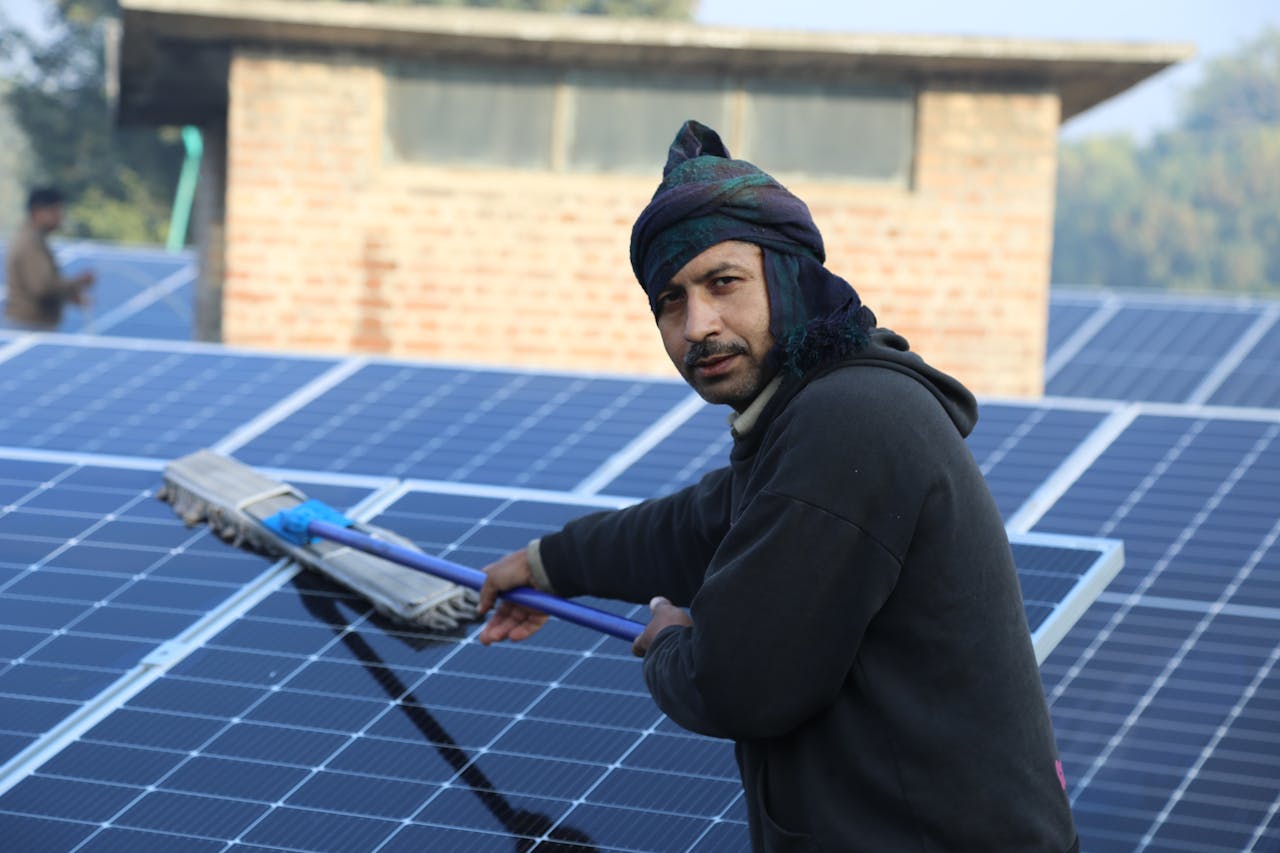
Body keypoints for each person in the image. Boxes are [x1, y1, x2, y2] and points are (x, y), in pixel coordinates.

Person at [477, 120, 1078, 852]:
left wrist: (668, 639)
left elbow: (740, 683)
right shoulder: (812, 411)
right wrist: (547, 565)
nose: (698, 324)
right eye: (670, 299)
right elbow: (701, 524)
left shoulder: (849, 424)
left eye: (723, 283)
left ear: (789, 276)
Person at [4, 186, 94, 330]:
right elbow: (41, 288)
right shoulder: (30, 243)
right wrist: (77, 283)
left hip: (31, 324)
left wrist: (69, 294)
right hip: (29, 325)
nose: (60, 217)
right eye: (55, 211)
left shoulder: (34, 239)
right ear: (38, 212)